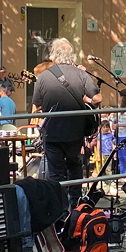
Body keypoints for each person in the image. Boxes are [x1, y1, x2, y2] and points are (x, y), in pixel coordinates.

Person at [32, 38, 101, 183]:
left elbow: (37, 105)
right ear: (72, 55)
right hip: (75, 131)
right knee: (74, 167)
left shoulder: (43, 76)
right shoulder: (81, 74)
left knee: (55, 172)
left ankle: (58, 203)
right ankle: (75, 202)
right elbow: (97, 98)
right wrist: (86, 101)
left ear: (53, 54)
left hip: (52, 132)